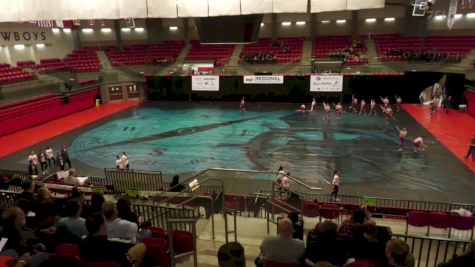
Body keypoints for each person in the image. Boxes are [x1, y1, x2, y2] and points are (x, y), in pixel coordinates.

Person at [79, 212, 146, 266]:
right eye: (105, 221)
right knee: (142, 247)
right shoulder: (113, 247)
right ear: (102, 226)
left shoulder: (81, 245)